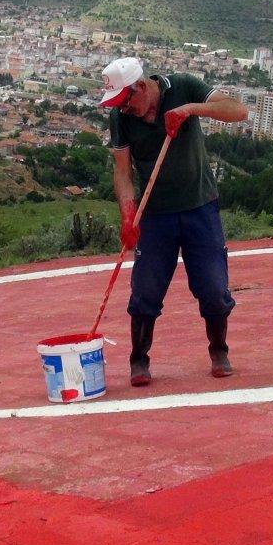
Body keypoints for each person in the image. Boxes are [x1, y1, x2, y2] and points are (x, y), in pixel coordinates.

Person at [99, 56, 249, 387]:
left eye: (124, 102)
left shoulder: (182, 86)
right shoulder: (121, 118)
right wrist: (127, 213)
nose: (123, 109)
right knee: (146, 289)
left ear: (139, 87)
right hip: (154, 214)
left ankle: (219, 350)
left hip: (199, 206)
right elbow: (123, 172)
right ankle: (139, 359)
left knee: (212, 286)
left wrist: (190, 110)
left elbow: (238, 112)